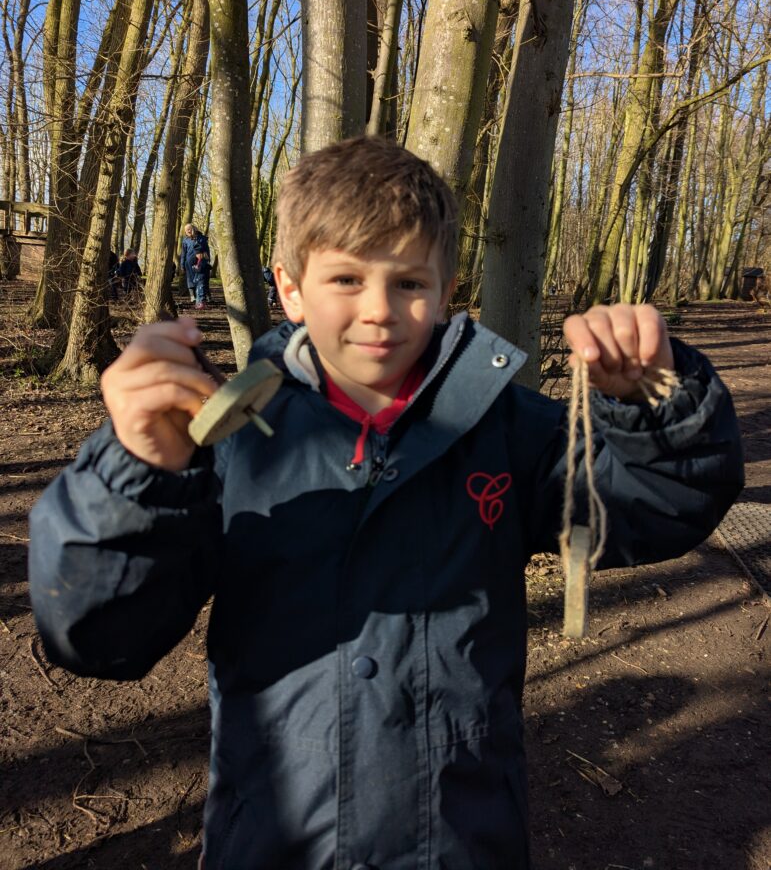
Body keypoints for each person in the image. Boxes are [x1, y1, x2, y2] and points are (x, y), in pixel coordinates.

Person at [29, 136, 743, 870]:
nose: (378, 312)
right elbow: (100, 635)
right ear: (290, 286)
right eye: (345, 278)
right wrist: (137, 472)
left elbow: (654, 508)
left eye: (407, 282)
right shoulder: (225, 441)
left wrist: (657, 406)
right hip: (272, 836)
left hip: (458, 839)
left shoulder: (503, 426)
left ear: (445, 285)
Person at [181, 223, 211, 307]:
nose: (188, 231)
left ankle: (206, 297)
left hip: (201, 263)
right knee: (191, 280)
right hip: (189, 264)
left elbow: (206, 250)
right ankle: (192, 296)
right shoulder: (185, 240)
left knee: (202, 280)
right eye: (186, 230)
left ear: (194, 228)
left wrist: (208, 260)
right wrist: (182, 264)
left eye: (189, 229)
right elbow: (183, 253)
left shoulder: (202, 238)